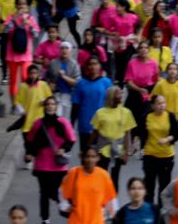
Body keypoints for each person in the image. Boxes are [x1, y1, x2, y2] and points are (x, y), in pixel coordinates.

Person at [24, 96, 77, 224]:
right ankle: (45, 219)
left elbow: (71, 139)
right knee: (43, 193)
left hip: (58, 166)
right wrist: (29, 154)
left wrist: (63, 149)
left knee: (57, 192)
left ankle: (66, 210)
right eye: (48, 104)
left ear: (56, 106)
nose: (50, 106)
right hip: (42, 164)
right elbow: (30, 141)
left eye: (53, 104)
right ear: (44, 107)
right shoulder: (38, 123)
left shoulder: (63, 122)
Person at [58, 147, 117, 224]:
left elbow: (111, 199)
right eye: (87, 156)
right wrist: (65, 206)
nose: (90, 160)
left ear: (98, 158)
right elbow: (62, 192)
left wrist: (113, 216)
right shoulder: (74, 173)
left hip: (96, 220)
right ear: (83, 157)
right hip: (76, 220)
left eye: (93, 157)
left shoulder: (104, 175)